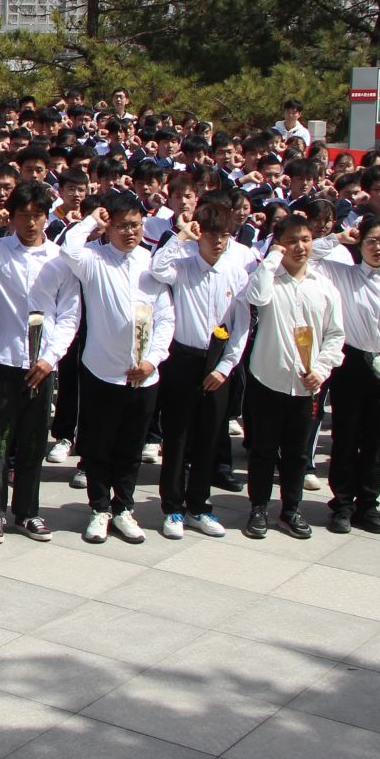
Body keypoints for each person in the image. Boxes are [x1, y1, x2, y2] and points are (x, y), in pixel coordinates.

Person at [0, 182, 80, 543]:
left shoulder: (60, 259)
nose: (31, 223)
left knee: (34, 442)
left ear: (48, 217)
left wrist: (51, 358)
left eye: (38, 215)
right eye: (23, 215)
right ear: (11, 217)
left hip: (42, 364)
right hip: (0, 359)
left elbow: (69, 314)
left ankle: (27, 511)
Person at [59, 193, 175, 544]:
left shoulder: (151, 263)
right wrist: (91, 220)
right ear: (109, 227)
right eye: (121, 225)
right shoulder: (94, 259)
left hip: (144, 375)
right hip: (102, 371)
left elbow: (166, 319)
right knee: (98, 446)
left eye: (135, 225)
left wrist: (152, 360)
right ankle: (99, 508)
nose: (129, 232)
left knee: (130, 447)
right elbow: (68, 249)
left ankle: (123, 507)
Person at [147, 196, 252, 539]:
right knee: (177, 436)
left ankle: (199, 505)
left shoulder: (237, 274)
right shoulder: (184, 266)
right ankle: (172, 507)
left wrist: (226, 367)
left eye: (224, 235)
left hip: (217, 363)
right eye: (211, 235)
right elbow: (157, 268)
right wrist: (182, 236)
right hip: (182, 359)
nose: (218, 242)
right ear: (200, 233)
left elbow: (242, 326)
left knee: (209, 437)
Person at [315, 215, 380, 533]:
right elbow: (308, 256)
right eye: (371, 241)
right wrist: (337, 238)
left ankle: (368, 504)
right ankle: (342, 503)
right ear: (360, 244)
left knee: (379, 440)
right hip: (351, 363)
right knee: (346, 436)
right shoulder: (343, 274)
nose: (378, 247)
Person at [242, 214, 346, 539]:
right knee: (263, 449)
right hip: (268, 377)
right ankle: (259, 507)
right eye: (291, 241)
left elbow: (335, 334)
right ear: (279, 244)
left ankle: (290, 509)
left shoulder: (324, 287)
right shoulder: (268, 278)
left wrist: (322, 370)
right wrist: (273, 257)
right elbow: (256, 297)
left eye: (305, 239)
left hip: (306, 384)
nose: (300, 247)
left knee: (297, 453)